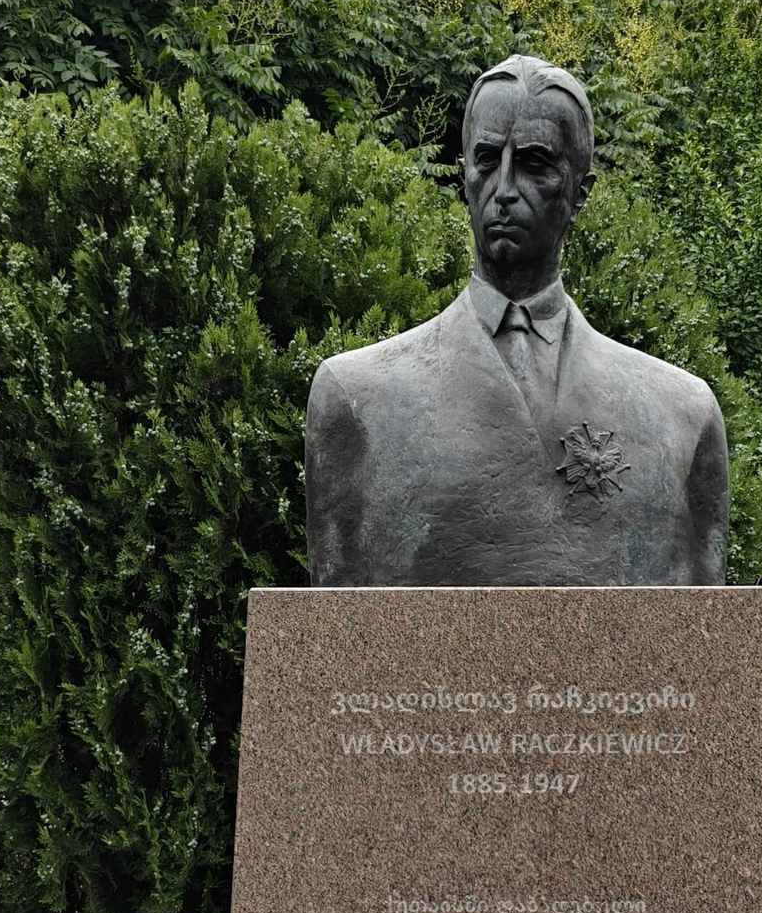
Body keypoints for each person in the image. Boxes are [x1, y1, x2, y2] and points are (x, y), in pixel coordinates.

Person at [305, 56, 728, 586]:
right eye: (487, 159)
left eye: (533, 163)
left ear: (579, 193)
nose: (504, 189)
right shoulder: (356, 399)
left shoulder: (681, 415)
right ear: (465, 177)